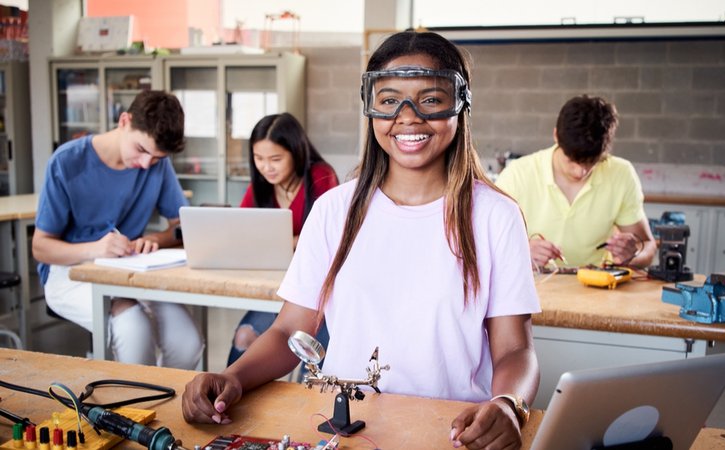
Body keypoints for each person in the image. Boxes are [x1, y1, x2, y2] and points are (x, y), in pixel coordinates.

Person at [182, 31, 540, 450]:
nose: (408, 116)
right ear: (370, 109)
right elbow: (288, 333)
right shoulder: (335, 210)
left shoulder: (496, 216)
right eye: (389, 101)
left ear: (461, 104)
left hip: (452, 432)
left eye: (431, 99)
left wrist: (507, 404)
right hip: (346, 430)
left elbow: (514, 350)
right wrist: (233, 377)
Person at [32, 90, 203, 369]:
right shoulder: (67, 162)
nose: (147, 164)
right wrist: (96, 248)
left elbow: (182, 228)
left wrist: (154, 239)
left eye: (157, 158)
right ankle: (139, 406)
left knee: (187, 342)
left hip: (132, 267)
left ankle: (169, 401)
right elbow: (41, 247)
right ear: (124, 121)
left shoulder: (156, 164)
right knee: (133, 327)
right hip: (70, 270)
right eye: (142, 150)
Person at [495, 95, 656, 271]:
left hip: (594, 289)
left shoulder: (621, 174)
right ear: (556, 135)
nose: (580, 172)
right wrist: (520, 251)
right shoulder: (517, 175)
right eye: (572, 161)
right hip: (532, 289)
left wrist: (632, 254)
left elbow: (648, 247)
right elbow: (481, 246)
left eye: (591, 163)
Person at [227, 112, 339, 366]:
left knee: (309, 353)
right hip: (273, 287)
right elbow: (240, 231)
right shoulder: (261, 185)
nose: (267, 167)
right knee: (245, 336)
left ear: (296, 153)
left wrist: (280, 242)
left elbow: (327, 239)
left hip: (314, 293)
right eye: (259, 159)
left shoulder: (320, 176)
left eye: (275, 159)